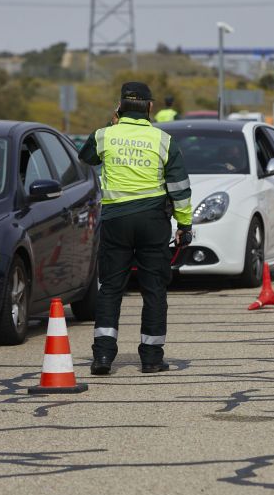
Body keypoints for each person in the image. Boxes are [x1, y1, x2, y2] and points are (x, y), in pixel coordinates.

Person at [77, 82, 192, 375]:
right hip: (153, 222)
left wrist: (111, 123)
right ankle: (151, 358)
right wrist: (184, 225)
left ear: (120, 107)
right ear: (151, 108)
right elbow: (180, 189)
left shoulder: (105, 136)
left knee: (111, 289)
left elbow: (86, 156)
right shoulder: (163, 140)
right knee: (154, 290)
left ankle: (103, 357)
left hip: (116, 222)